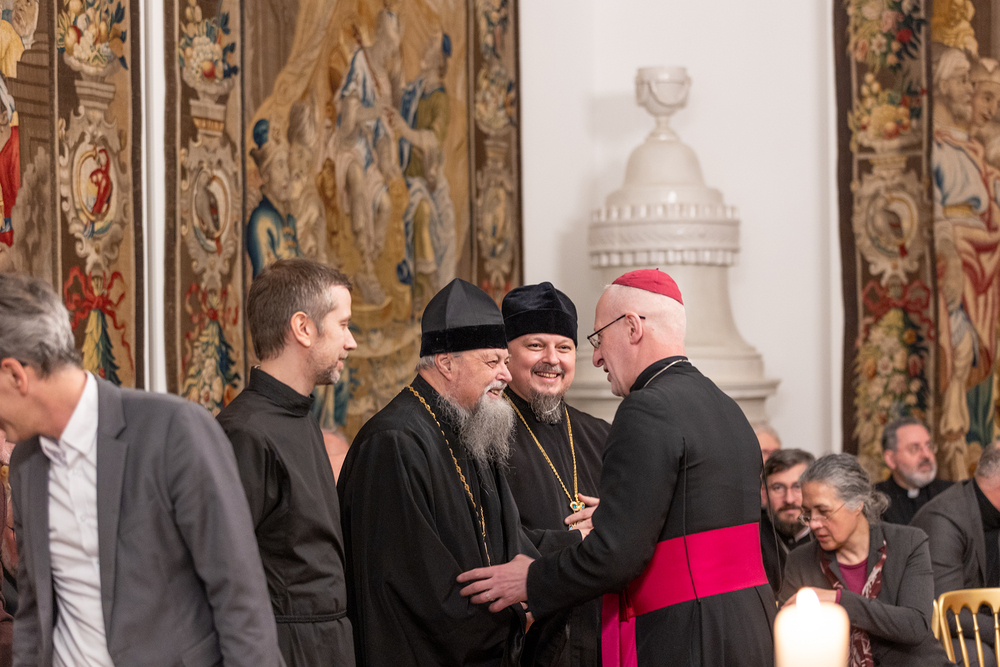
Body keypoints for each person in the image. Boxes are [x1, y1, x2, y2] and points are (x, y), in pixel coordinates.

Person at [457, 268, 775, 666]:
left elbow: (617, 556)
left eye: (598, 339)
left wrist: (532, 578)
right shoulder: (727, 408)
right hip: (748, 628)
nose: (596, 357)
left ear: (632, 327)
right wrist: (612, 518)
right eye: (535, 345)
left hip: (686, 635)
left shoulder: (646, 409)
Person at [0, 273, 282, 666]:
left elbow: (241, 600)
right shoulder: (25, 464)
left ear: (15, 375)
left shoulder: (174, 431)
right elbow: (35, 611)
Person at [339, 278, 544, 666]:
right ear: (447, 363)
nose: (506, 375)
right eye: (493, 362)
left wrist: (537, 587)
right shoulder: (394, 442)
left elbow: (510, 539)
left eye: (505, 361)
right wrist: (515, 617)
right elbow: (416, 588)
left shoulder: (473, 428)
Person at [216, 259, 357, 667]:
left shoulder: (301, 416)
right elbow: (223, 571)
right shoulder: (245, 432)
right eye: (343, 324)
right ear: (303, 328)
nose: (351, 342)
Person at [501, 282, 609, 667]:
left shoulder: (601, 434)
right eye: (535, 345)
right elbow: (488, 539)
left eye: (564, 348)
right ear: (505, 353)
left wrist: (612, 521)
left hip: (599, 635)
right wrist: (577, 540)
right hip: (528, 642)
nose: (552, 359)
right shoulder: (483, 435)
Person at [778, 454, 949, 667]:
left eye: (823, 511)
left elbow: (915, 626)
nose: (813, 524)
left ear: (858, 503)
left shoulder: (908, 542)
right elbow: (788, 639)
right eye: (807, 513)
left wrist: (839, 600)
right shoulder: (800, 561)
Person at [933, 46, 1000, 479]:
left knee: (980, 354)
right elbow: (937, 210)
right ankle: (957, 448)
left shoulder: (973, 149)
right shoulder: (939, 148)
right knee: (961, 351)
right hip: (965, 255)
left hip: (986, 258)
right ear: (942, 85)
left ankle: (978, 444)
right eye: (963, 83)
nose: (969, 94)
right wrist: (950, 254)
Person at [912, 441, 1000, 666]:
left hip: (983, 624)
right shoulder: (944, 521)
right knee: (979, 655)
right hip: (934, 635)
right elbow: (948, 613)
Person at [247, 118, 302, 278]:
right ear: (265, 175)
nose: (286, 174)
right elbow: (266, 283)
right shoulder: (262, 220)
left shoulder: (289, 220)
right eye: (279, 165)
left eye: (287, 165)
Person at [875, 417, 951, 525]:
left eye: (929, 446)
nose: (926, 455)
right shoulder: (874, 502)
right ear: (891, 459)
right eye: (914, 448)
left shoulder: (951, 494)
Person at [760, 448, 815, 594]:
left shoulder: (830, 532)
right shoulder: (752, 539)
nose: (789, 499)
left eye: (798, 487)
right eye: (778, 488)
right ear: (764, 493)